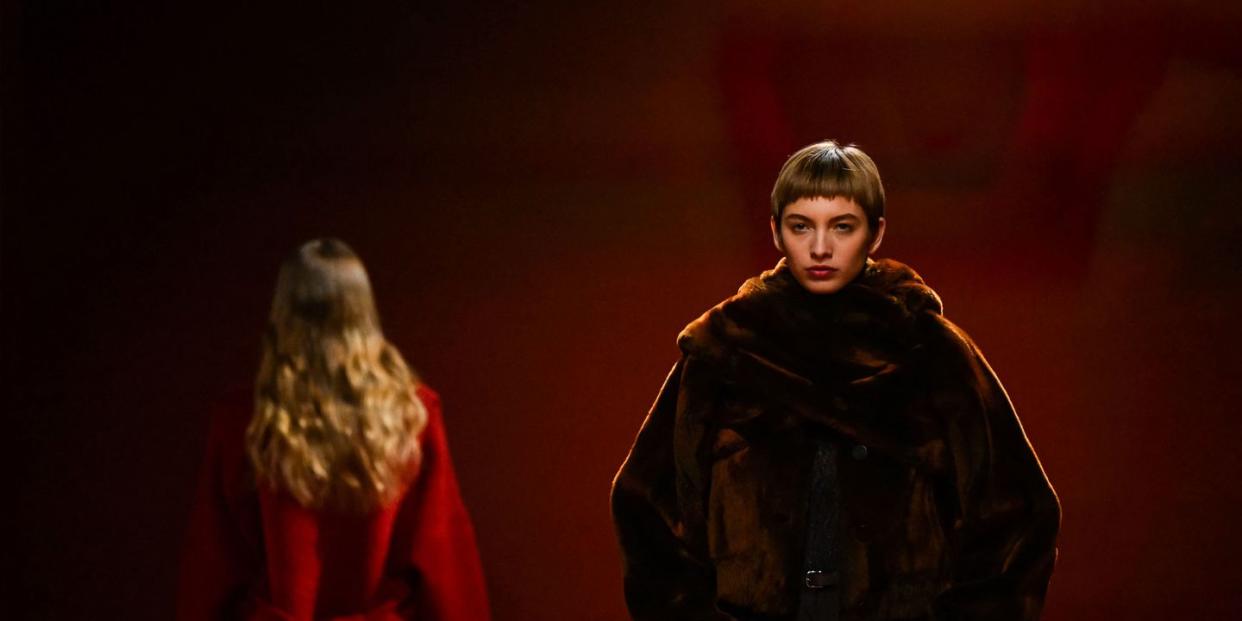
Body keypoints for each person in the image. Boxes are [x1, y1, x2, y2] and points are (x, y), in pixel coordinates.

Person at [610, 141, 1061, 621]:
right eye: (801, 226)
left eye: (841, 227)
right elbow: (645, 503)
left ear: (876, 232)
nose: (820, 247)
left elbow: (1018, 513)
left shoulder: (932, 354)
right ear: (777, 232)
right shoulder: (723, 351)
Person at [177, 238, 491, 621]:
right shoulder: (412, 414)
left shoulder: (242, 418)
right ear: (362, 312)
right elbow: (444, 558)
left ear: (282, 311)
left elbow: (213, 564)